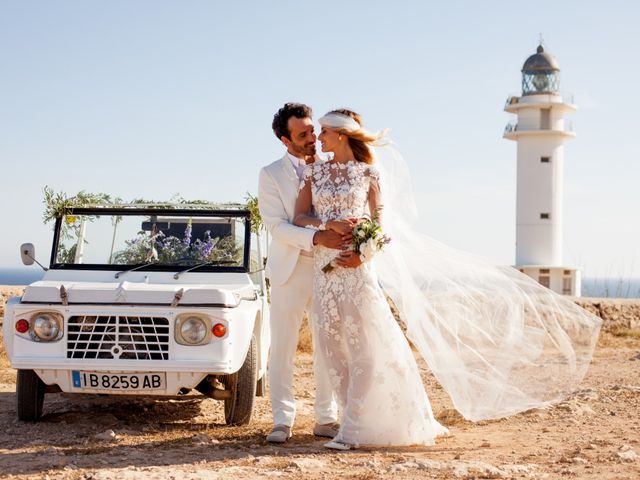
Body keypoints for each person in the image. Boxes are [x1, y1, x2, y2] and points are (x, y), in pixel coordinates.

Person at [293, 109, 602, 450]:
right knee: (333, 348)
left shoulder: (369, 173)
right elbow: (300, 216)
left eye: (324, 131)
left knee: (366, 348)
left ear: (341, 134)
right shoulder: (313, 172)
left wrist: (362, 254)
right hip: (326, 273)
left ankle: (352, 429)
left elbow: (381, 227)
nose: (318, 138)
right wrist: (326, 227)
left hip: (357, 273)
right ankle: (352, 418)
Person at [258, 103, 350, 443]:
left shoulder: (334, 165)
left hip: (330, 269)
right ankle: (282, 420)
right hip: (288, 269)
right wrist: (316, 236)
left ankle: (327, 418)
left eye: (312, 131)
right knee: (282, 347)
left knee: (328, 344)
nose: (312, 138)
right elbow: (276, 226)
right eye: (302, 134)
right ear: (285, 140)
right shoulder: (270, 174)